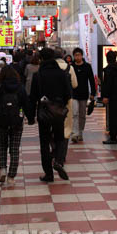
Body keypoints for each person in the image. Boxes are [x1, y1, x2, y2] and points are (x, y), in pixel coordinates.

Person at [29, 47, 73, 182]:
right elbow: (68, 94)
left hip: (43, 112)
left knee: (44, 142)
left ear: (41, 59)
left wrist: (30, 116)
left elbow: (33, 97)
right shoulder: (62, 74)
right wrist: (61, 104)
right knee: (59, 138)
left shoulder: (38, 75)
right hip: (58, 111)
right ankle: (58, 161)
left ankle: (48, 173)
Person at [0, 65, 30, 187]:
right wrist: (30, 117)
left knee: (3, 146)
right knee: (14, 148)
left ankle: (2, 170)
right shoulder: (20, 87)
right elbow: (26, 103)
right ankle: (11, 176)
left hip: (2, 120)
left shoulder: (0, 87)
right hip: (17, 121)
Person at [70, 47, 96, 143]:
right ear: (73, 56)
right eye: (75, 55)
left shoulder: (87, 66)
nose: (77, 57)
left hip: (84, 93)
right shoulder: (71, 66)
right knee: (75, 113)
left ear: (82, 56)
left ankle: (80, 132)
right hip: (73, 94)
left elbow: (91, 80)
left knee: (82, 114)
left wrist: (93, 93)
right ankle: (75, 133)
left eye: (79, 55)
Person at [101, 50, 117, 144]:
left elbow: (108, 84)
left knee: (113, 117)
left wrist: (105, 96)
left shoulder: (108, 70)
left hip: (112, 96)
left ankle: (113, 136)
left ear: (107, 59)